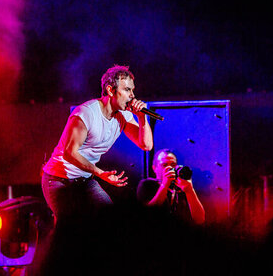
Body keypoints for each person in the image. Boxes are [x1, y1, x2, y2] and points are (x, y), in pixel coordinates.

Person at [41, 65, 153, 223]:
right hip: (58, 180)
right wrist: (100, 173)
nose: (132, 96)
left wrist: (142, 118)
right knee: (68, 229)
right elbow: (69, 153)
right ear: (110, 90)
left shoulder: (125, 114)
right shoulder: (86, 113)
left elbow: (146, 145)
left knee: (108, 221)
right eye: (127, 90)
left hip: (84, 179)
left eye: (132, 90)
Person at [137, 148, 205, 225]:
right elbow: (148, 214)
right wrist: (164, 185)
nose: (169, 169)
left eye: (173, 165)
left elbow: (200, 220)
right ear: (154, 168)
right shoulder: (147, 184)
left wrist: (190, 190)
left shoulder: (182, 187)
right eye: (164, 165)